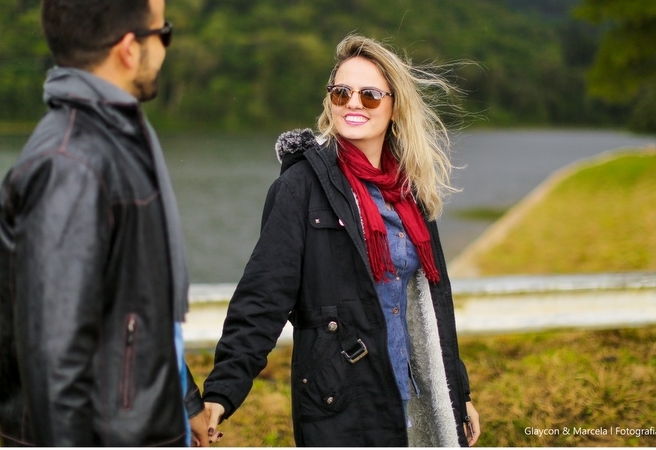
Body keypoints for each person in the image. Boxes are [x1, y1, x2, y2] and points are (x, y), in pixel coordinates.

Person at [201, 34, 481, 446]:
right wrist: (220, 395)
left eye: (369, 95)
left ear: (393, 106)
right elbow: (263, 297)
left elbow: (429, 305)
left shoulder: (410, 193)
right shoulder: (300, 187)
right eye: (341, 92)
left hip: (417, 400)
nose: (352, 103)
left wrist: (459, 394)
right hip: (343, 401)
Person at [0, 0, 211, 446]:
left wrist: (184, 403)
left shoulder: (117, 140)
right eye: (164, 32)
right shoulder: (71, 164)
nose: (166, 47)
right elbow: (55, 362)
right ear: (129, 48)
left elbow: (135, 311)